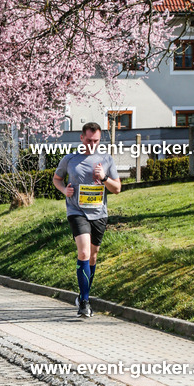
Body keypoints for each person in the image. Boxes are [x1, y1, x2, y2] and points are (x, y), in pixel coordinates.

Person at [53, 122, 121, 318]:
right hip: (77, 211)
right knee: (83, 252)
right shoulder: (70, 159)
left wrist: (104, 177)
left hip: (99, 213)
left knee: (93, 256)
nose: (92, 144)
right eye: (89, 140)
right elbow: (57, 179)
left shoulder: (106, 159)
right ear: (82, 138)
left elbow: (117, 189)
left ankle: (84, 295)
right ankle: (84, 303)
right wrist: (64, 190)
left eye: (96, 141)